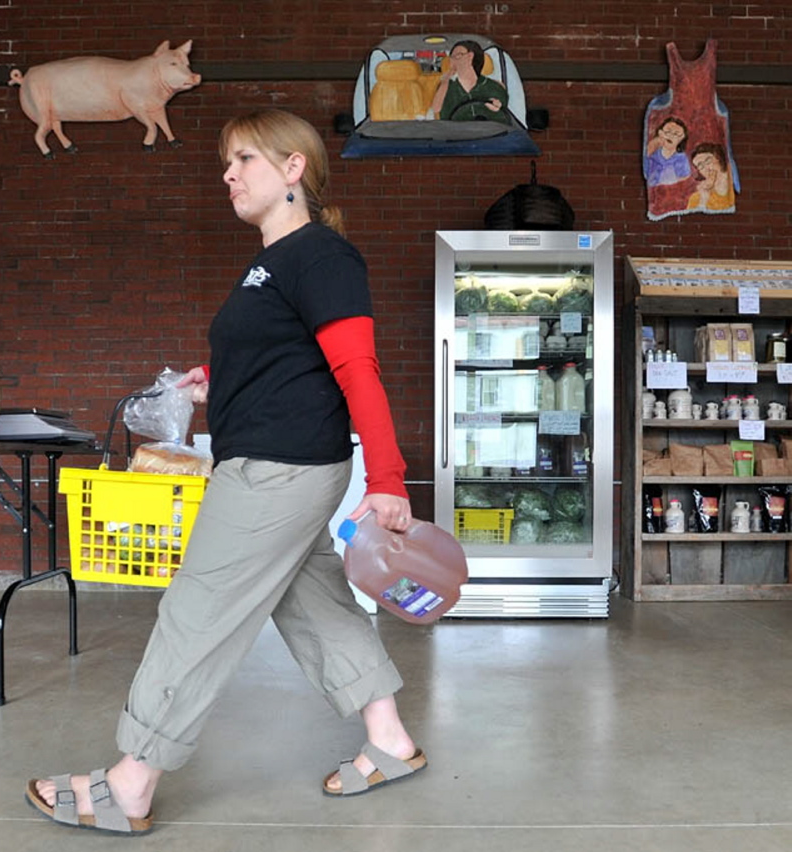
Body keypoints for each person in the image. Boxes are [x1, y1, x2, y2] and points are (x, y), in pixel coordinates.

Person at [25, 108, 425, 835]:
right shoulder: (270, 262)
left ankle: (132, 780)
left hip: (278, 471)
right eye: (227, 161)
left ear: (293, 168)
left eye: (244, 159)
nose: (228, 173)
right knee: (313, 603)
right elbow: (284, 354)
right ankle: (389, 738)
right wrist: (218, 377)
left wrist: (390, 481)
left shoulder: (320, 256)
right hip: (282, 464)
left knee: (197, 611)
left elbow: (355, 368)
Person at [430, 39, 509, 124]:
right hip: (454, 134)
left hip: (491, 134)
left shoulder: (493, 86)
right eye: (451, 57)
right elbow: (436, 108)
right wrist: (445, 81)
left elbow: (503, 112)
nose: (453, 60)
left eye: (458, 55)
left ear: (470, 56)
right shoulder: (446, 87)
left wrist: (497, 106)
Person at [686, 141, 735, 212]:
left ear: (717, 157)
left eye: (707, 160)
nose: (706, 167)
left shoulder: (733, 178)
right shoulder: (696, 198)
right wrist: (703, 199)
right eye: (700, 165)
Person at [644, 115, 691, 187]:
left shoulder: (681, 159)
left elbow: (684, 181)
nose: (670, 136)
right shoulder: (653, 156)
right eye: (668, 132)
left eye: (676, 134)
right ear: (660, 133)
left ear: (681, 138)